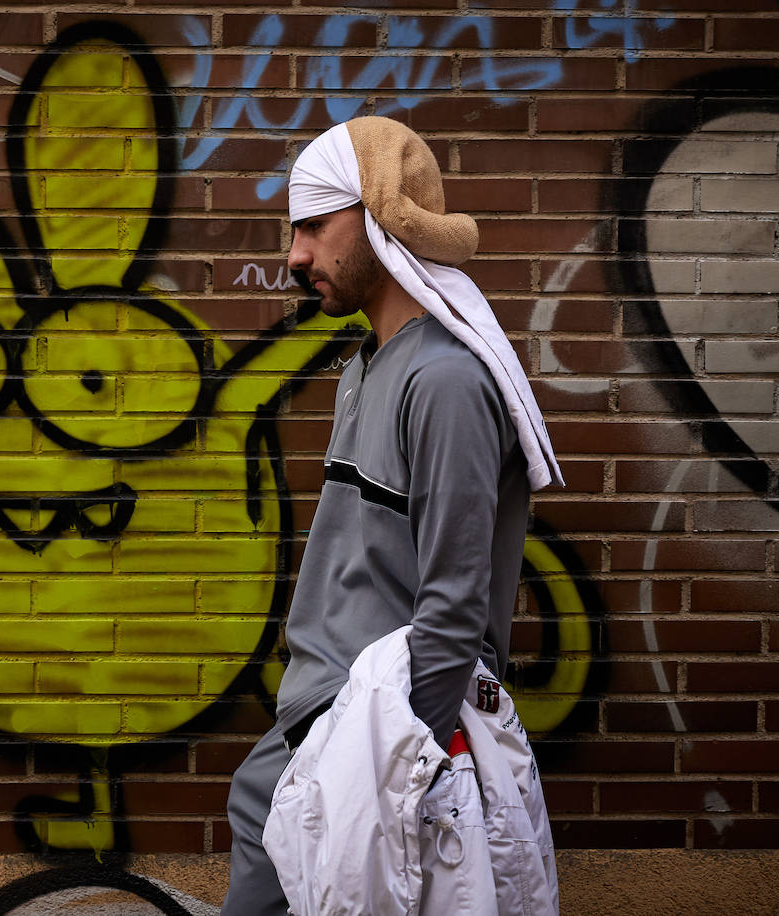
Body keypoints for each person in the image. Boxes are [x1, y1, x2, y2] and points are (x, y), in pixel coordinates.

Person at [222, 116, 562, 914]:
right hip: (324, 724)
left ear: (376, 218)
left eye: (313, 224)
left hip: (371, 740)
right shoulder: (366, 370)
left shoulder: (441, 382)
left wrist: (397, 772)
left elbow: (454, 606)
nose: (294, 254)